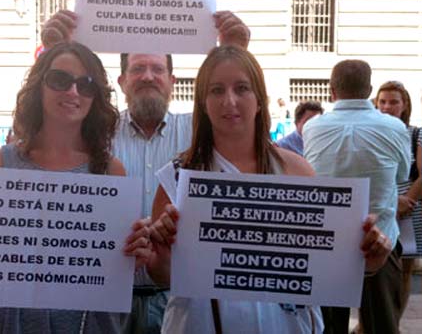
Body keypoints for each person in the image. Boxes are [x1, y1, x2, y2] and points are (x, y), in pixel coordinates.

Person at [146, 46, 391, 334]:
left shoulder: (298, 171)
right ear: (202, 101)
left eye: (242, 88)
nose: (229, 101)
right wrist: (160, 258)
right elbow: (164, 275)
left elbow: (326, 266)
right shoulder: (177, 177)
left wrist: (369, 259)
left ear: (259, 100)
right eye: (216, 90)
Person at [0, 42, 151, 334]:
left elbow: (115, 265)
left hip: (87, 325)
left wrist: (135, 254)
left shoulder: (111, 171)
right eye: (59, 80)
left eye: (86, 84)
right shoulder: (0, 162)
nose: (73, 92)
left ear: (97, 96)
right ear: (38, 86)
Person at [41, 9, 250, 334]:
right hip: (104, 299)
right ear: (122, 81)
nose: (148, 77)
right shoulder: (92, 135)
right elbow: (45, 137)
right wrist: (58, 55)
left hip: (178, 299)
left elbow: (238, 118)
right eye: (138, 69)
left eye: (157, 69)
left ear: (173, 81)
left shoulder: (200, 135)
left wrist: (235, 52)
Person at [303, 60, 411, 334]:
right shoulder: (394, 127)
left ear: (331, 92)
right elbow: (401, 177)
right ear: (370, 91)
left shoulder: (312, 127)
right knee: (382, 326)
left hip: (327, 243)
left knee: (328, 327)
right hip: (381, 240)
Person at [375, 80, 422, 319]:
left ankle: (394, 321)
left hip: (409, 209)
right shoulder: (372, 130)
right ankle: (365, 324)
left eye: (394, 102)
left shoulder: (415, 134)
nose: (387, 107)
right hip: (380, 207)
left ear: (404, 105)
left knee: (403, 271)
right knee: (373, 270)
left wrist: (404, 202)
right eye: (382, 101)